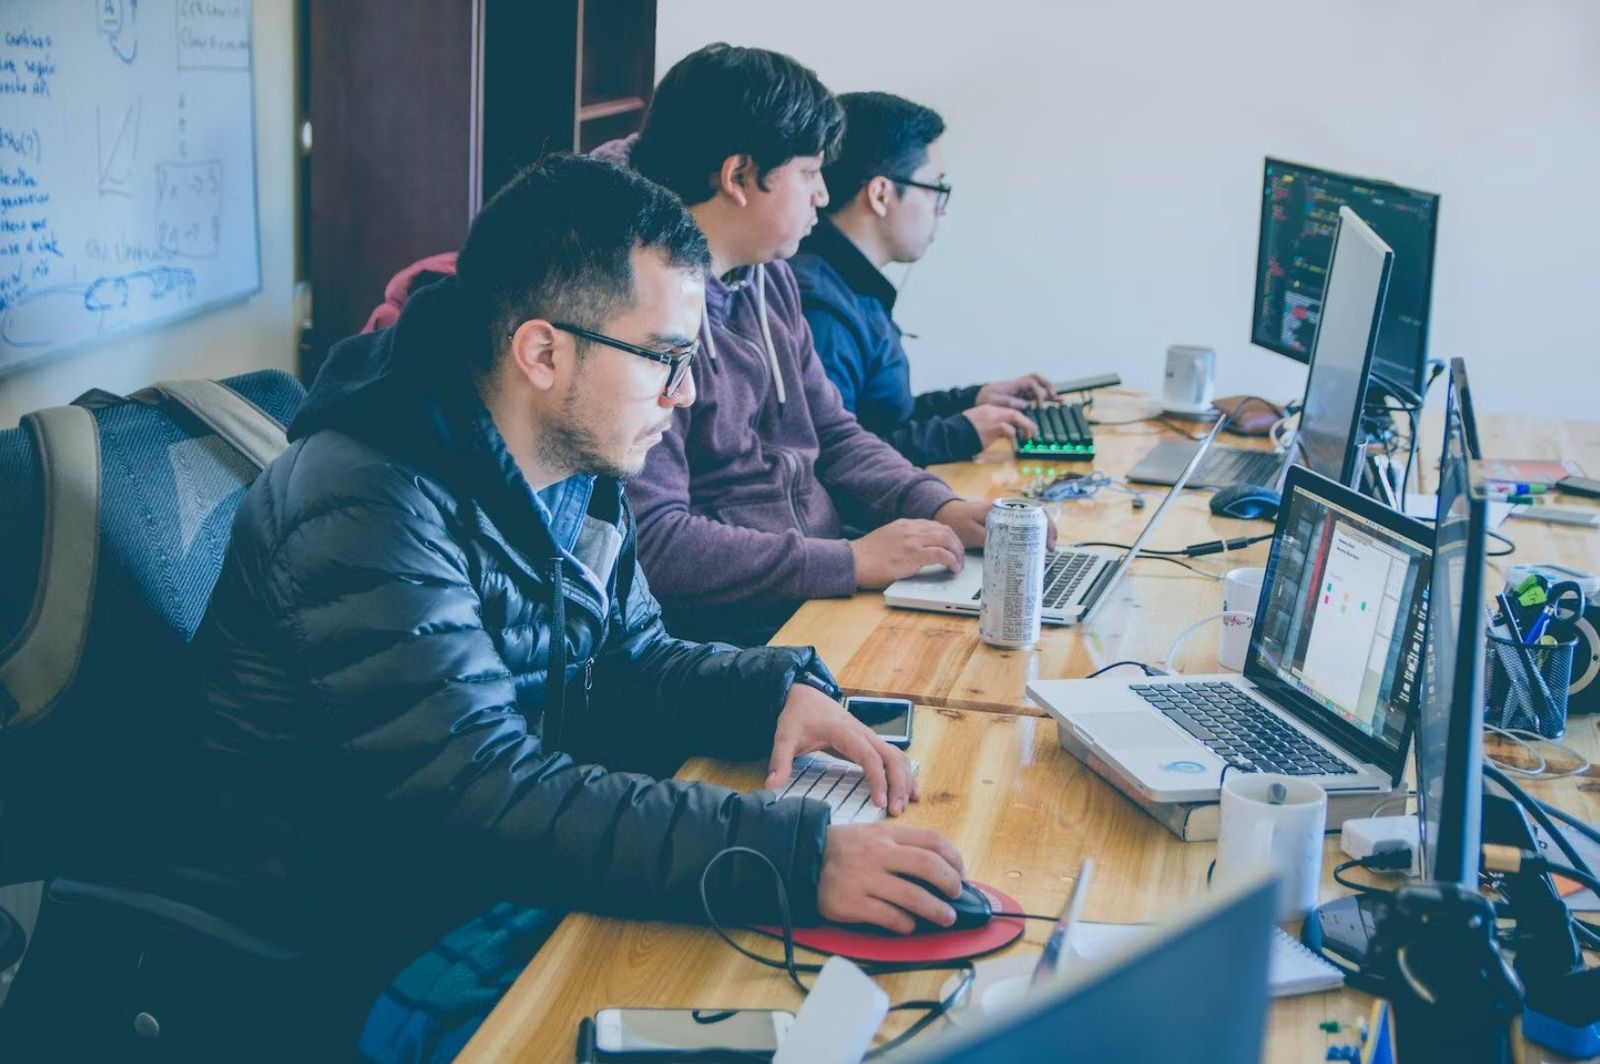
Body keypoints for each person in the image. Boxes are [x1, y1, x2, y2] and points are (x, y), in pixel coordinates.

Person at [181, 154, 966, 1062]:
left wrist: (768, 693)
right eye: (666, 358)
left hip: (490, 875)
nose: (685, 393)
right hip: (356, 933)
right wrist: (792, 857)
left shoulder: (572, 461)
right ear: (543, 352)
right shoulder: (364, 501)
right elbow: (483, 793)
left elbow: (635, 659)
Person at [594, 44, 1007, 648]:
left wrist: (937, 505)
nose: (823, 195)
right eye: (810, 173)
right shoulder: (635, 314)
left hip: (812, 594)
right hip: (730, 635)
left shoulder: (771, 275)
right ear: (739, 177)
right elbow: (654, 541)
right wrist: (850, 562)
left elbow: (834, 432)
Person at [790, 91, 1056, 467]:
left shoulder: (851, 285)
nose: (940, 211)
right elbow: (834, 460)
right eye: (936, 190)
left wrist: (972, 400)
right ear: (881, 194)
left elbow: (880, 417)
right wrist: (959, 433)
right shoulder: (821, 309)